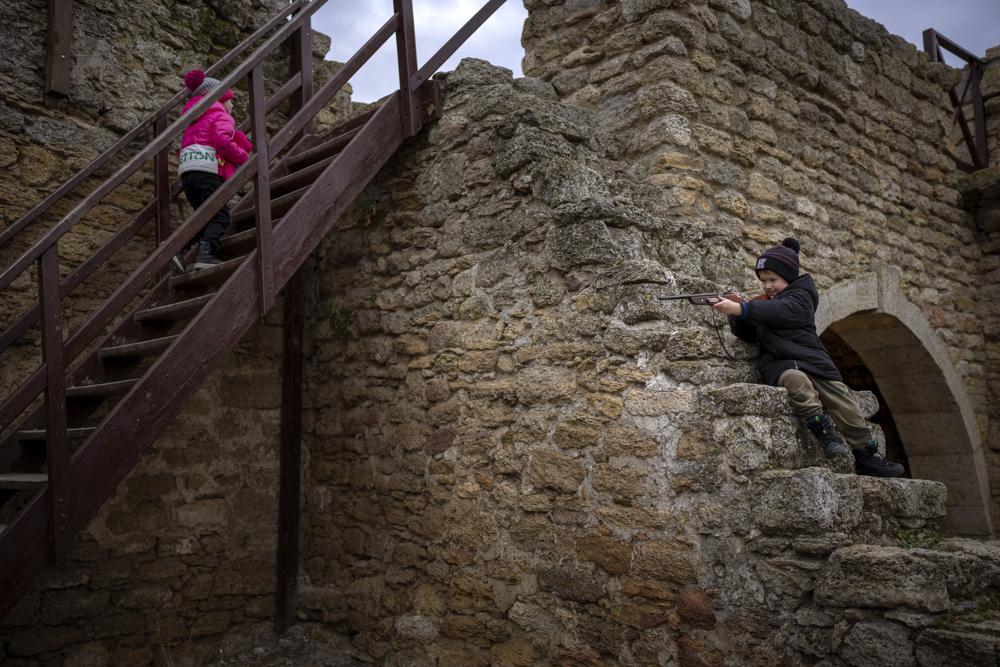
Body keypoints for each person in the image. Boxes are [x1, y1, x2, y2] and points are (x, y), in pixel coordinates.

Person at [711, 238, 904, 478]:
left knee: (841, 397)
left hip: (811, 359)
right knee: (795, 381)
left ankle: (866, 454)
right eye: (763, 281)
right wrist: (737, 315)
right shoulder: (765, 305)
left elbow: (784, 312)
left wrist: (744, 308)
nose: (767, 286)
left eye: (773, 280)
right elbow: (749, 333)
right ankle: (822, 430)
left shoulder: (802, 297)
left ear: (789, 278)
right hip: (780, 364)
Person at [173, 69, 252, 271]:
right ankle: (207, 255)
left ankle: (180, 250)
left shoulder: (193, 118)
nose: (232, 104)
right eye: (230, 99)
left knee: (205, 214)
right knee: (220, 216)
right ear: (220, 98)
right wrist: (243, 157)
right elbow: (222, 141)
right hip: (208, 170)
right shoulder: (220, 115)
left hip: (188, 172)